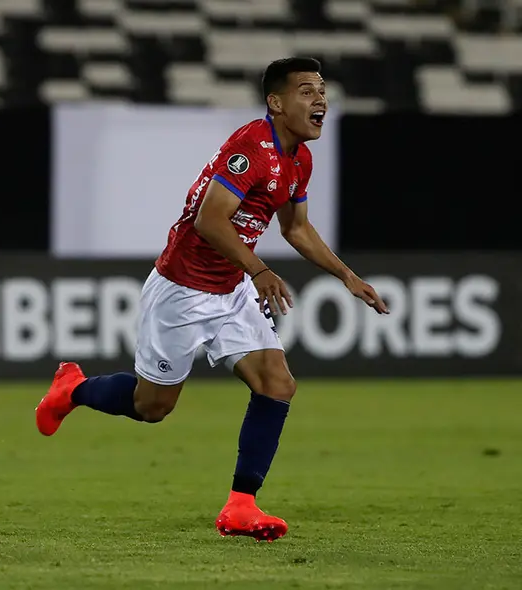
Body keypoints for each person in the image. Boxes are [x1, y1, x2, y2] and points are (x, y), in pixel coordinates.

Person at [35, 57, 389, 542]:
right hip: (182, 289)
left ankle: (241, 507)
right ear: (276, 102)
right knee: (153, 406)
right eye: (307, 91)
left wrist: (346, 276)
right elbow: (210, 220)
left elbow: (296, 228)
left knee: (276, 383)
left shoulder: (298, 159)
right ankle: (72, 389)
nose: (320, 99)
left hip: (232, 286)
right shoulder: (251, 147)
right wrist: (260, 269)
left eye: (322, 90)